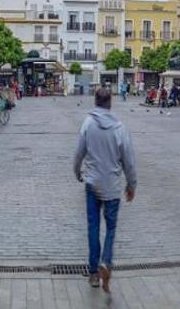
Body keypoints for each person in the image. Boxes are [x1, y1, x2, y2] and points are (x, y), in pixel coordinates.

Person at [73, 88, 137, 293]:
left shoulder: (88, 123)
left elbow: (78, 152)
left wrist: (77, 171)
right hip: (112, 187)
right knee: (110, 229)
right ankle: (105, 262)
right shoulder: (119, 128)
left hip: (92, 184)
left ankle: (93, 273)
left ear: (95, 101)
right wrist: (131, 185)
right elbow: (129, 160)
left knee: (93, 226)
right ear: (110, 103)